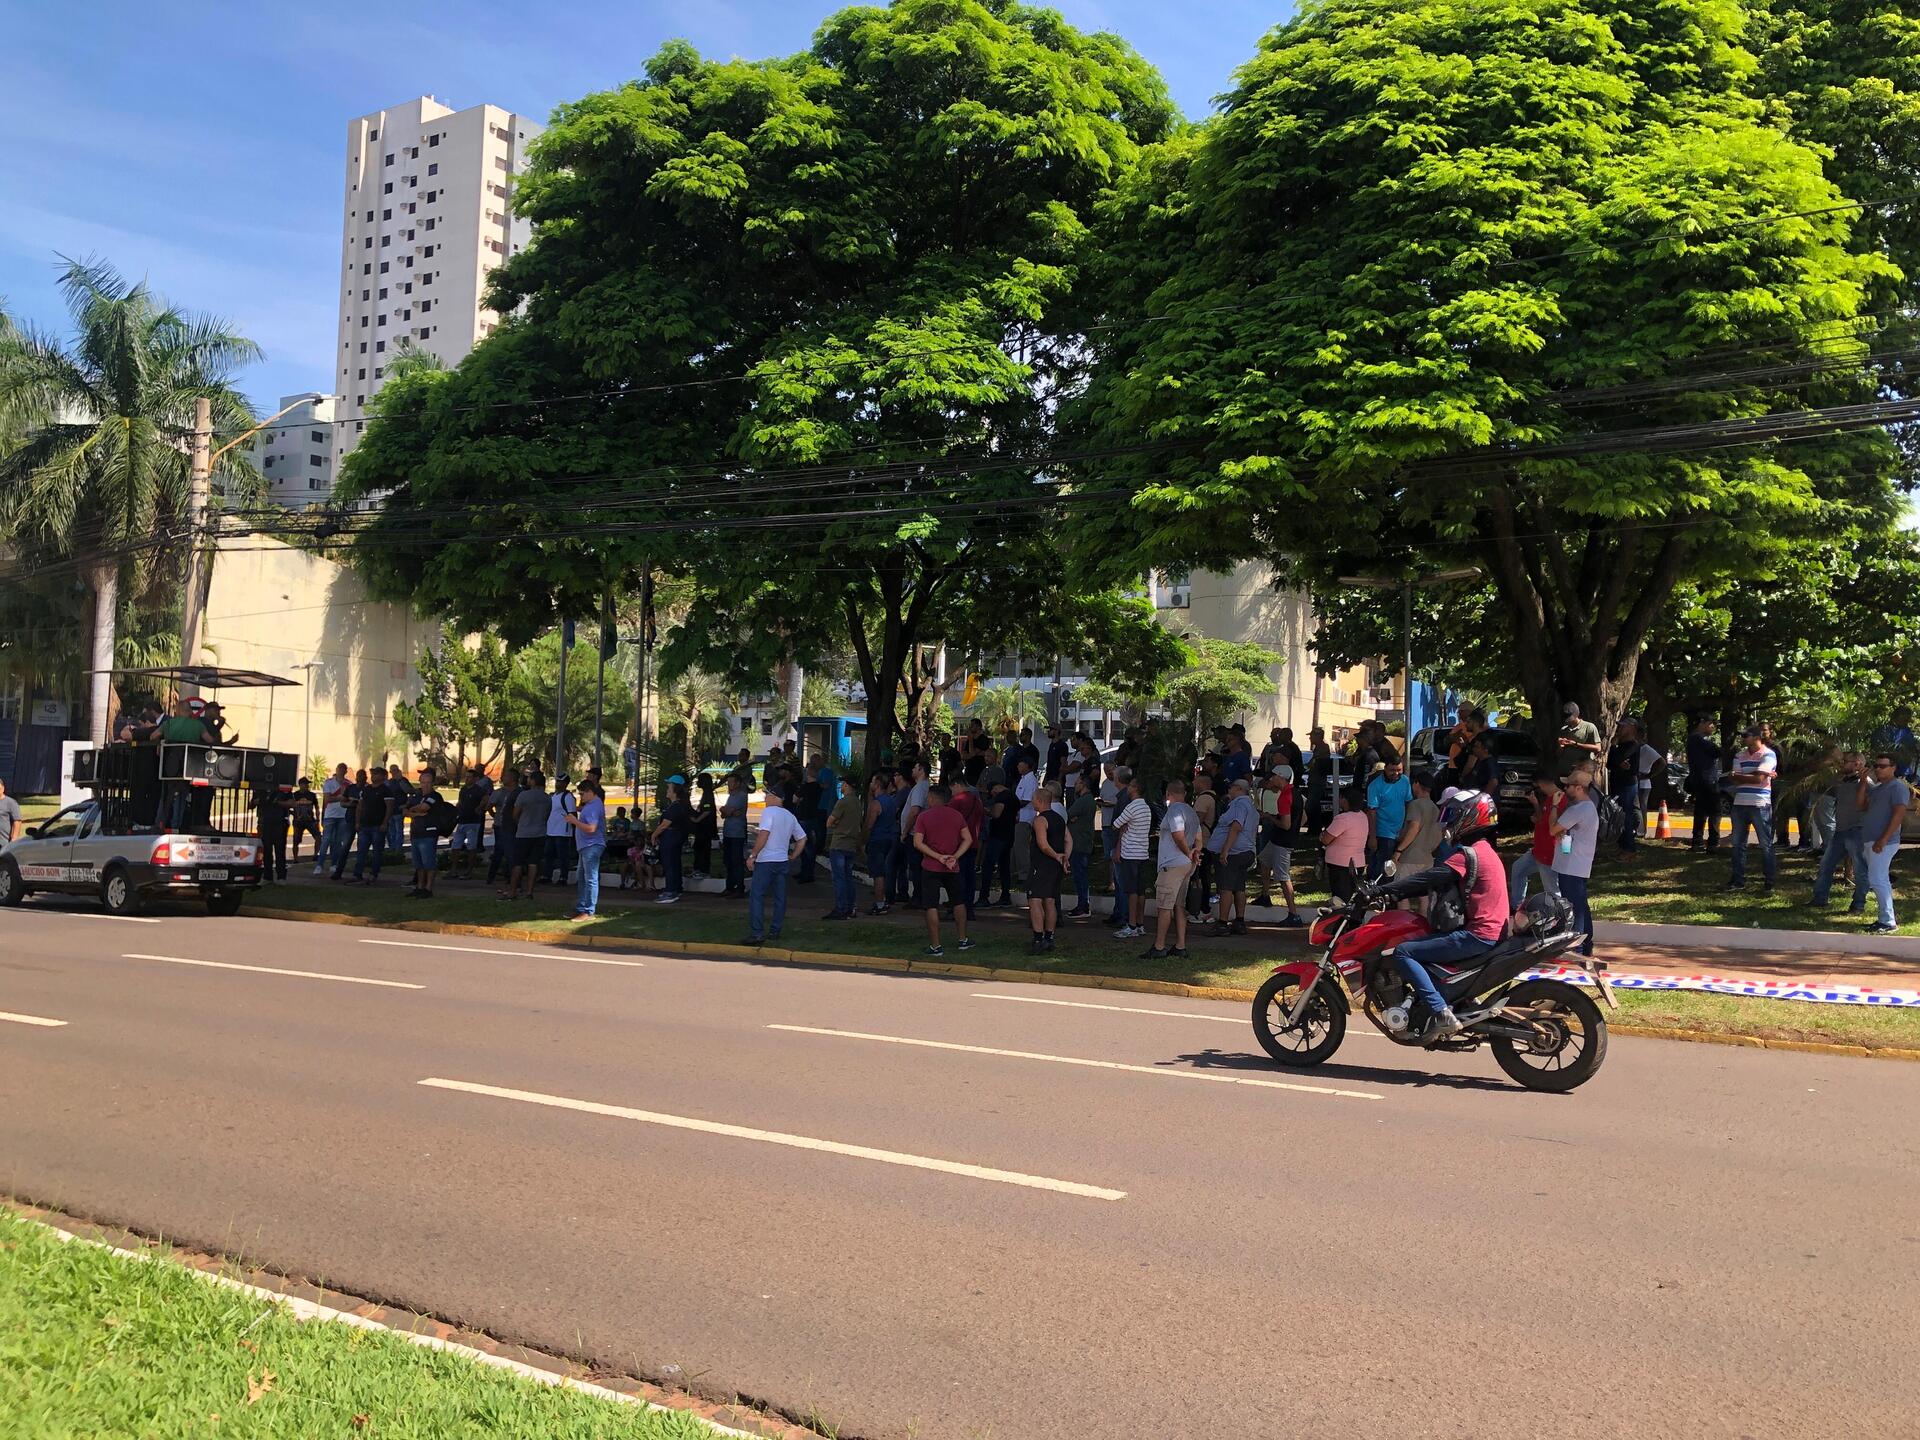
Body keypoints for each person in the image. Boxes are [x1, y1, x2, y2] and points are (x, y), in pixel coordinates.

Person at [1373, 790, 1511, 1043]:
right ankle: (1457, 1001)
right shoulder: (1485, 850)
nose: (1447, 822)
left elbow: (1429, 879)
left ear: (1469, 818)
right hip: (1492, 931)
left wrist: (1382, 890)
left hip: (1478, 934)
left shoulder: (1468, 855)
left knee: (1404, 952)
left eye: (1452, 815)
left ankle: (1440, 1012)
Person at [910, 783, 974, 957]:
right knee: (958, 902)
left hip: (931, 866)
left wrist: (937, 856)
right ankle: (962, 939)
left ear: (931, 798)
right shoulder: (957, 815)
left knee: (931, 905)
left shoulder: (924, 817)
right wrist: (955, 856)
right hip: (952, 865)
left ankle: (936, 945)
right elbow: (968, 839)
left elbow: (917, 842)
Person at [1142, 778, 1199, 960]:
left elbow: (1177, 834)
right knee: (1179, 905)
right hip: (1186, 864)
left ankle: (1159, 946)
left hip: (1173, 863)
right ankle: (1180, 944)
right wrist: (1195, 852)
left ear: (1168, 794)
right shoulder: (1191, 811)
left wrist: (1188, 851)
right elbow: (1198, 837)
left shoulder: (1174, 810)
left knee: (1164, 906)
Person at [743, 788, 808, 945]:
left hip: (766, 861)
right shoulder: (789, 815)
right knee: (780, 898)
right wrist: (793, 856)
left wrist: (753, 855)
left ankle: (757, 932)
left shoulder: (768, 812)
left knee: (757, 896)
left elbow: (764, 834)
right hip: (781, 861)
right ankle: (775, 930)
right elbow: (802, 838)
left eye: (767, 795)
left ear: (773, 797)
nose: (765, 798)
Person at [1811, 752, 1870, 916]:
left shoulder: (1867, 783)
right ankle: (1819, 899)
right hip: (1840, 832)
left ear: (1857, 764)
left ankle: (1858, 905)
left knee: (1860, 870)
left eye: (1845, 762)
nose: (1842, 764)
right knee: (1826, 865)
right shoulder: (1842, 782)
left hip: (1857, 831)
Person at [1551, 767, 1599, 955]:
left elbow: (1553, 829)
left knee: (1575, 906)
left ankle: (1577, 946)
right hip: (1578, 863)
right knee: (1581, 905)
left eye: (1569, 786)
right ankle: (1586, 944)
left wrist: (1554, 806)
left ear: (1579, 788)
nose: (1565, 789)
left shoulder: (1579, 809)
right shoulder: (1589, 807)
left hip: (1572, 865)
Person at [1861, 753, 1910, 935]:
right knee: (1880, 879)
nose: (1878, 769)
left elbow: (1898, 815)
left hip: (1883, 841)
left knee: (1877, 879)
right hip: (1871, 839)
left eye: (1883, 766)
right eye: (1876, 766)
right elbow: (1861, 805)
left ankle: (1888, 921)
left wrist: (1883, 839)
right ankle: (1885, 919)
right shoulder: (1878, 788)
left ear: (1893, 767)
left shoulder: (1897, 787)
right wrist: (1863, 781)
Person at [1726, 726, 1778, 893]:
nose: (1743, 738)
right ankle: (1737, 881)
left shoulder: (1769, 754)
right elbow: (1736, 779)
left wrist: (1744, 776)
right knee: (1737, 844)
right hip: (1740, 804)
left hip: (1760, 804)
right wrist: (1754, 775)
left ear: (1757, 737)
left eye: (1746, 735)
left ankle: (1769, 882)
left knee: (1766, 844)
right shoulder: (1739, 754)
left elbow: (1759, 778)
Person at [1206, 778, 1259, 936]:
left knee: (1226, 888)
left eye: (1231, 788)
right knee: (1239, 887)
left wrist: (1225, 850)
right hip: (1246, 851)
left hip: (1234, 853)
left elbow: (1236, 827)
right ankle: (1239, 921)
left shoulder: (1239, 804)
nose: (1229, 791)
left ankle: (1222, 923)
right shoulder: (1251, 807)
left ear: (1238, 788)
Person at [1021, 781, 1069, 953]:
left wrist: (1056, 855)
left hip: (1041, 865)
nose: (1032, 803)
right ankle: (1049, 937)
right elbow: (1068, 840)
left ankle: (1038, 939)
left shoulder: (1040, 820)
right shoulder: (1059, 819)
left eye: (1033, 800)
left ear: (1040, 801)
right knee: (1050, 901)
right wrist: (1064, 858)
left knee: (1034, 901)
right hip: (1055, 866)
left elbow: (1042, 844)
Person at [1254, 768, 1304, 926]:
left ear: (1281, 777)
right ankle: (1265, 894)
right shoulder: (1296, 793)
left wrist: (1269, 817)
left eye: (1274, 776)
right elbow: (1303, 817)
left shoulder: (1284, 796)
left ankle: (1293, 914)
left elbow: (1285, 824)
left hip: (1283, 841)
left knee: (1283, 877)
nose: (1271, 779)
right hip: (1280, 839)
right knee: (1263, 860)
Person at [1388, 770, 1441, 909]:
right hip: (1427, 858)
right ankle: (1424, 924)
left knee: (1401, 894)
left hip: (1410, 857)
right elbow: (1439, 834)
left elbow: (1413, 828)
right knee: (1424, 896)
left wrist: (1399, 850)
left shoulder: (1416, 805)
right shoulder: (1436, 808)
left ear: (1417, 784)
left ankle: (1404, 925)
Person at [1110, 774, 1153, 940]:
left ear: (1135, 789)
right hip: (1142, 852)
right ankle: (1140, 924)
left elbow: (1115, 825)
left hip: (1130, 853)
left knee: (1131, 891)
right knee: (1141, 890)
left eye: (1130, 786)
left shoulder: (1131, 806)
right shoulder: (1146, 807)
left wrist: (1123, 827)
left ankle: (1132, 924)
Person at [1510, 775, 1563, 909]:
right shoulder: (1549, 799)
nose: (1540, 789)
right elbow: (1541, 818)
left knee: (1551, 889)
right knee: (1518, 869)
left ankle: (1558, 915)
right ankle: (1516, 905)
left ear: (1546, 783)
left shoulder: (1561, 801)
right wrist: (1534, 803)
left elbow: (1556, 826)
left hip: (1548, 852)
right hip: (1537, 850)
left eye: (1539, 786)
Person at [561, 777, 606, 920]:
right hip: (586, 846)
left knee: (590, 878)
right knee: (582, 877)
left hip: (591, 845)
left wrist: (574, 821)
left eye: (582, 794)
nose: (580, 797)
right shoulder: (593, 804)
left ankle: (588, 911)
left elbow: (591, 828)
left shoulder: (593, 807)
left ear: (590, 792)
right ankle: (582, 908)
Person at [503, 771, 550, 902]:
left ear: (533, 781)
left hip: (524, 833)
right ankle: (529, 892)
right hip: (540, 832)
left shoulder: (524, 795)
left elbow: (515, 814)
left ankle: (512, 892)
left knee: (517, 863)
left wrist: (521, 823)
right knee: (533, 863)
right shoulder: (546, 797)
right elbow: (547, 815)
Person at [823, 776, 865, 920]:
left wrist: (837, 824)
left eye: (843, 784)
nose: (841, 786)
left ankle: (841, 908)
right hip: (851, 844)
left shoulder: (843, 802)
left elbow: (829, 822)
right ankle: (851, 907)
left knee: (839, 878)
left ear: (847, 785)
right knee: (848, 877)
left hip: (839, 843)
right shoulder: (857, 802)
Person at [1365, 755, 1412, 880]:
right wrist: (1373, 836)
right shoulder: (1375, 786)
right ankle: (1375, 889)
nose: (1396, 773)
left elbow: (1408, 803)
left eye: (1399, 770)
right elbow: (1372, 812)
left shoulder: (1405, 781)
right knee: (1382, 865)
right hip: (1383, 832)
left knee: (1393, 864)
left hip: (1400, 830)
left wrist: (1405, 828)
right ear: (1385, 768)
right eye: (1392, 770)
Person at [646, 777, 692, 903]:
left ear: (675, 789)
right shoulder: (677, 805)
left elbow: (665, 824)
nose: (667, 790)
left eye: (669, 787)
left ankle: (671, 891)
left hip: (671, 838)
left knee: (670, 864)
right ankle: (675, 888)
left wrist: (654, 835)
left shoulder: (676, 806)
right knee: (674, 863)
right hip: (674, 837)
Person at [1321, 787, 1370, 901]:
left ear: (1345, 800)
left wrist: (1322, 834)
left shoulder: (1342, 818)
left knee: (1340, 898)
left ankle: (1340, 917)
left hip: (1340, 864)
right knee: (1353, 896)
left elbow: (1326, 839)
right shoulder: (1363, 816)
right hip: (1358, 862)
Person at [949, 773, 985, 922]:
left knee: (957, 879)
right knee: (969, 879)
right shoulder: (977, 801)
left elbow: (950, 823)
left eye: (952, 789)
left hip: (959, 844)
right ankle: (968, 909)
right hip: (973, 843)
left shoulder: (956, 801)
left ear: (957, 785)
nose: (952, 792)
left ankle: (958, 909)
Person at [403, 766, 444, 899]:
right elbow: (406, 810)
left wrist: (414, 812)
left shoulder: (435, 796)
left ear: (432, 784)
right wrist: (414, 813)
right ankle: (419, 887)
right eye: (423, 782)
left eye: (428, 783)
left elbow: (423, 808)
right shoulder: (417, 795)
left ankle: (428, 888)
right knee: (418, 864)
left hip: (429, 834)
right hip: (416, 832)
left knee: (429, 863)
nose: (425, 785)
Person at [978, 768, 1016, 909]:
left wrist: (986, 810)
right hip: (1009, 835)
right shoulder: (1013, 796)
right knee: (1004, 867)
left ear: (994, 789)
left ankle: (984, 896)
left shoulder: (1002, 797)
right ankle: (1005, 896)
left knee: (988, 865)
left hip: (998, 836)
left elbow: (996, 813)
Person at [862, 772, 900, 915]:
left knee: (878, 873)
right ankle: (882, 900)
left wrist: (862, 840)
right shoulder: (891, 801)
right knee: (883, 871)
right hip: (888, 838)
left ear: (877, 785)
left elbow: (869, 825)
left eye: (872, 782)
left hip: (877, 839)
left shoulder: (877, 804)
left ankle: (880, 904)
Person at [1684, 716, 1723, 850]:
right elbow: (1717, 751)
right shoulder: (1698, 739)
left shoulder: (1693, 739)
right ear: (1702, 723)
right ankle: (1712, 843)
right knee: (1715, 812)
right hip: (1708, 781)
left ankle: (1698, 841)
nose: (1713, 727)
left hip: (1699, 780)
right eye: (1711, 723)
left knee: (1700, 812)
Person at [1065, 773, 1097, 918]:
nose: (1075, 785)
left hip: (1079, 843)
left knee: (1080, 876)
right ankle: (1083, 904)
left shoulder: (1084, 801)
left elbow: (1068, 815)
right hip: (1082, 841)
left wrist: (1072, 817)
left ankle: (1083, 905)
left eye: (1077, 782)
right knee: (1081, 875)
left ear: (1083, 784)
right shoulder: (1087, 800)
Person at [448, 768, 488, 880]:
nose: (467, 779)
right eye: (466, 777)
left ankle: (469, 871)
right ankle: (453, 870)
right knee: (455, 846)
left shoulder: (479, 790)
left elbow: (486, 799)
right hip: (461, 820)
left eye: (469, 777)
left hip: (473, 822)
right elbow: (460, 802)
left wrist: (480, 808)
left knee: (471, 847)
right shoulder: (464, 789)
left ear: (475, 779)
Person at [486, 770, 521, 886]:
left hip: (515, 826)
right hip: (500, 826)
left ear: (512, 778)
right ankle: (492, 876)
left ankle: (511, 877)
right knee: (499, 851)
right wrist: (495, 816)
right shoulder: (499, 793)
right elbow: (489, 806)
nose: (502, 778)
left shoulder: (519, 793)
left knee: (512, 852)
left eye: (505, 776)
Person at [315, 762, 351, 876]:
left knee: (337, 841)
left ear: (345, 771)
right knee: (326, 840)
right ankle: (319, 864)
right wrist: (339, 798)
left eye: (343, 769)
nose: (341, 771)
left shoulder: (348, 784)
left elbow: (349, 799)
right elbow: (327, 799)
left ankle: (334, 864)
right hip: (330, 815)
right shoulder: (329, 783)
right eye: (339, 769)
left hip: (342, 815)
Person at [719, 773, 750, 896]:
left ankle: (739, 888)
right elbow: (725, 812)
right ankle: (730, 886)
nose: (728, 784)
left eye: (731, 782)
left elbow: (729, 810)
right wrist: (726, 810)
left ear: (737, 783)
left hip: (737, 833)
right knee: (728, 861)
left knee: (736, 861)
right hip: (728, 832)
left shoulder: (741, 796)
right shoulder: (730, 796)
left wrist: (726, 810)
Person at [544, 775, 578, 886]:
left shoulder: (568, 797)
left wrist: (573, 830)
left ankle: (563, 877)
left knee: (563, 855)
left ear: (566, 783)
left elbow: (572, 813)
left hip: (562, 831)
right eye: (557, 781)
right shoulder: (553, 796)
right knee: (549, 854)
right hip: (551, 830)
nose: (557, 783)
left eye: (560, 781)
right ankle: (547, 875)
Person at [1010, 756, 1038, 887]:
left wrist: (1012, 807)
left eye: (1020, 764)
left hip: (1025, 817)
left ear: (1027, 765)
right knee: (1015, 845)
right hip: (1018, 817)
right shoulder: (1023, 780)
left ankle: (1025, 873)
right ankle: (1015, 871)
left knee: (1021, 846)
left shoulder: (1030, 780)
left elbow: (1026, 800)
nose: (1018, 767)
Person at [254, 780, 289, 882]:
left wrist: (277, 802)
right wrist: (259, 801)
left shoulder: (282, 789)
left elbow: (292, 803)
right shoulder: (260, 790)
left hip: (279, 823)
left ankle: (281, 876)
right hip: (265, 822)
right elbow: (251, 804)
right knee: (266, 851)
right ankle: (267, 876)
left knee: (280, 851)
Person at [1557, 701, 1603, 779]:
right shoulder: (1564, 730)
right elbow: (1559, 753)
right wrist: (1560, 745)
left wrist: (1576, 744)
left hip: (1582, 770)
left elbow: (1598, 748)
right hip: (1565, 769)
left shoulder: (1589, 727)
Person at [288, 778, 319, 862]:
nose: (307, 786)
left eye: (307, 784)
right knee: (296, 840)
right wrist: (292, 813)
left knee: (318, 837)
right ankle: (295, 858)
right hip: (298, 821)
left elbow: (316, 807)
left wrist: (317, 819)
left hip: (310, 820)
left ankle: (315, 855)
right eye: (305, 784)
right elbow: (289, 805)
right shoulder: (295, 795)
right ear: (300, 785)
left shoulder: (312, 795)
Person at [0, 776, 23, 848]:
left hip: (4, 843)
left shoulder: (10, 802)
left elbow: (17, 821)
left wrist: (14, 839)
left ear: (3, 788)